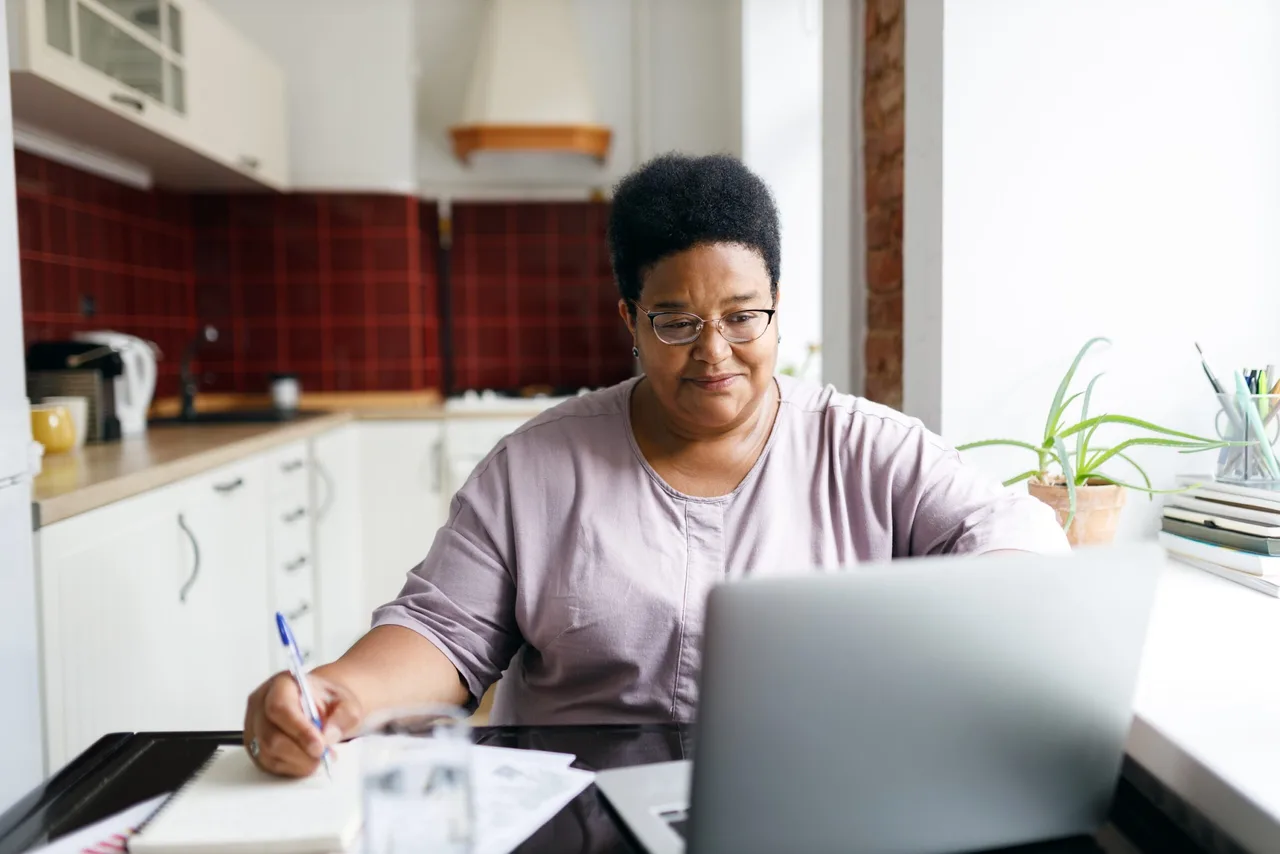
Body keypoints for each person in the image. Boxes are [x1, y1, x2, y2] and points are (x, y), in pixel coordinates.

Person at [243, 153, 1068, 777]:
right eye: (675, 322)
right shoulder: (535, 466)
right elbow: (441, 632)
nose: (716, 354)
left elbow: (1010, 528)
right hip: (578, 805)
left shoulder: (863, 445)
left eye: (744, 317)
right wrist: (340, 693)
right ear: (629, 321)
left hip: (802, 790)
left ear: (778, 307)